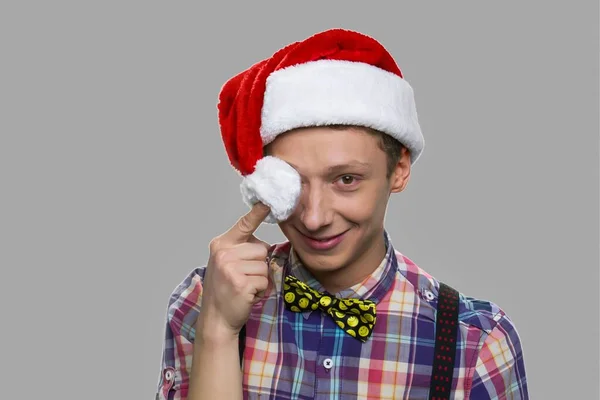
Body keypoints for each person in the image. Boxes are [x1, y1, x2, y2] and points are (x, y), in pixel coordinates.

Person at [155, 28, 529, 400]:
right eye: (294, 182)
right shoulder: (203, 301)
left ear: (398, 169)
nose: (314, 217)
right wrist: (218, 329)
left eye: (346, 179)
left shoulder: (475, 344)